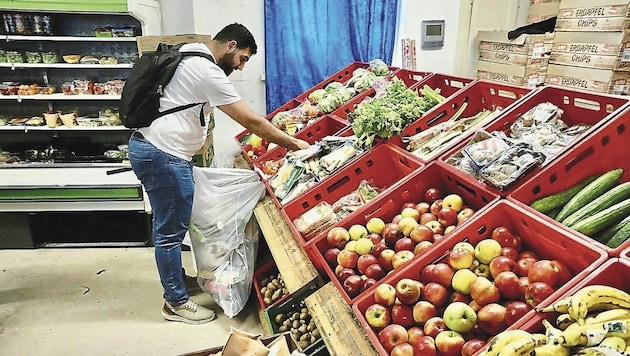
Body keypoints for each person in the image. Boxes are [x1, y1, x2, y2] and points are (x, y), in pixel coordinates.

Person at [128, 23, 310, 325]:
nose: (240, 67)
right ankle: (175, 303)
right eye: (243, 59)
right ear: (231, 45)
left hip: (161, 151)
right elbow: (250, 121)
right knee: (169, 231)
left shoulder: (187, 55)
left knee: (175, 223)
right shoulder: (206, 70)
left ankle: (177, 282)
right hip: (163, 155)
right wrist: (293, 143)